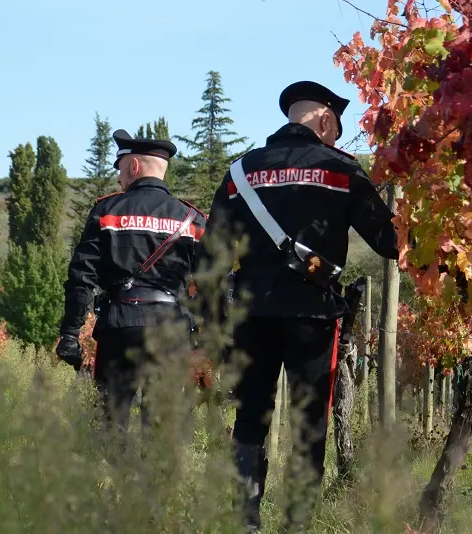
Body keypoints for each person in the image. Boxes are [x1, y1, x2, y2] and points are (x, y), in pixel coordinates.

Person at [194, 81, 399, 532]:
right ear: (325, 120)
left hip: (251, 316)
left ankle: (246, 521)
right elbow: (389, 242)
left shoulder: (241, 173)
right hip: (313, 314)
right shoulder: (341, 168)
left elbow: (208, 262)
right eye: (337, 130)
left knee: (250, 417)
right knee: (309, 424)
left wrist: (208, 337)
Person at [55, 129, 207, 434]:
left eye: (121, 171)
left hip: (119, 326)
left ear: (134, 168)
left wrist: (70, 334)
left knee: (109, 425)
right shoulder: (193, 220)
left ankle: (116, 478)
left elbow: (81, 276)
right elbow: (210, 287)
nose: (119, 179)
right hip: (171, 330)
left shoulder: (107, 211)